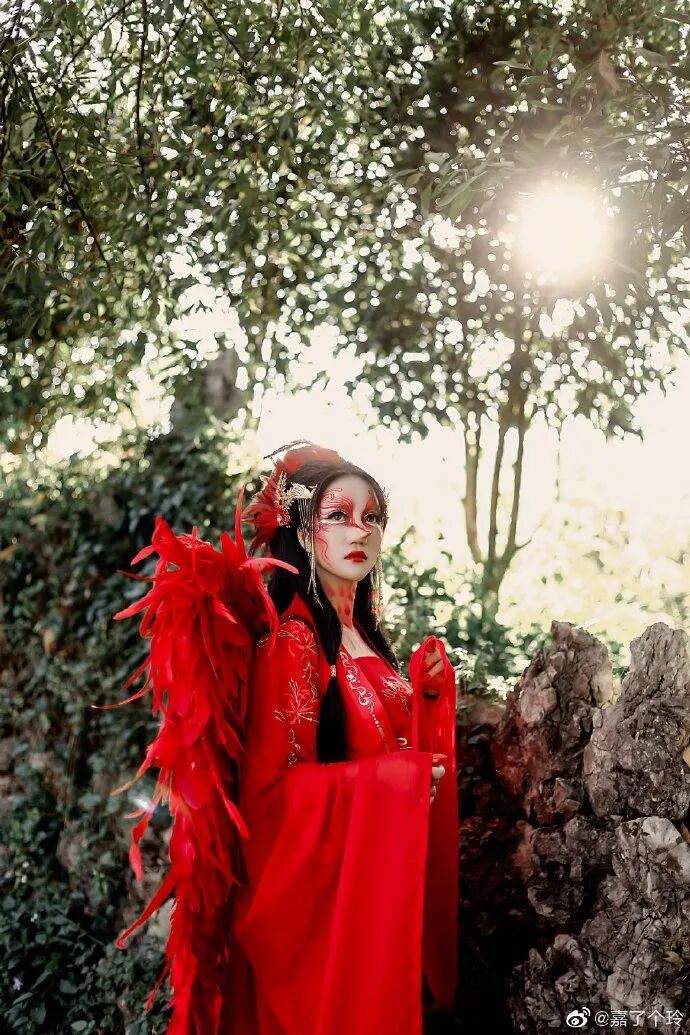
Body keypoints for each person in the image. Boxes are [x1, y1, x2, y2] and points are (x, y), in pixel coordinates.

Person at [108, 441, 458, 1035]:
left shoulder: (363, 633)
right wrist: (387, 785)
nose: (361, 530)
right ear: (300, 528)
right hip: (328, 907)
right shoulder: (294, 640)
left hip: (376, 879)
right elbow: (270, 797)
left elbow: (386, 744)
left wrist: (426, 697)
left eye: (372, 516)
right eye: (339, 514)